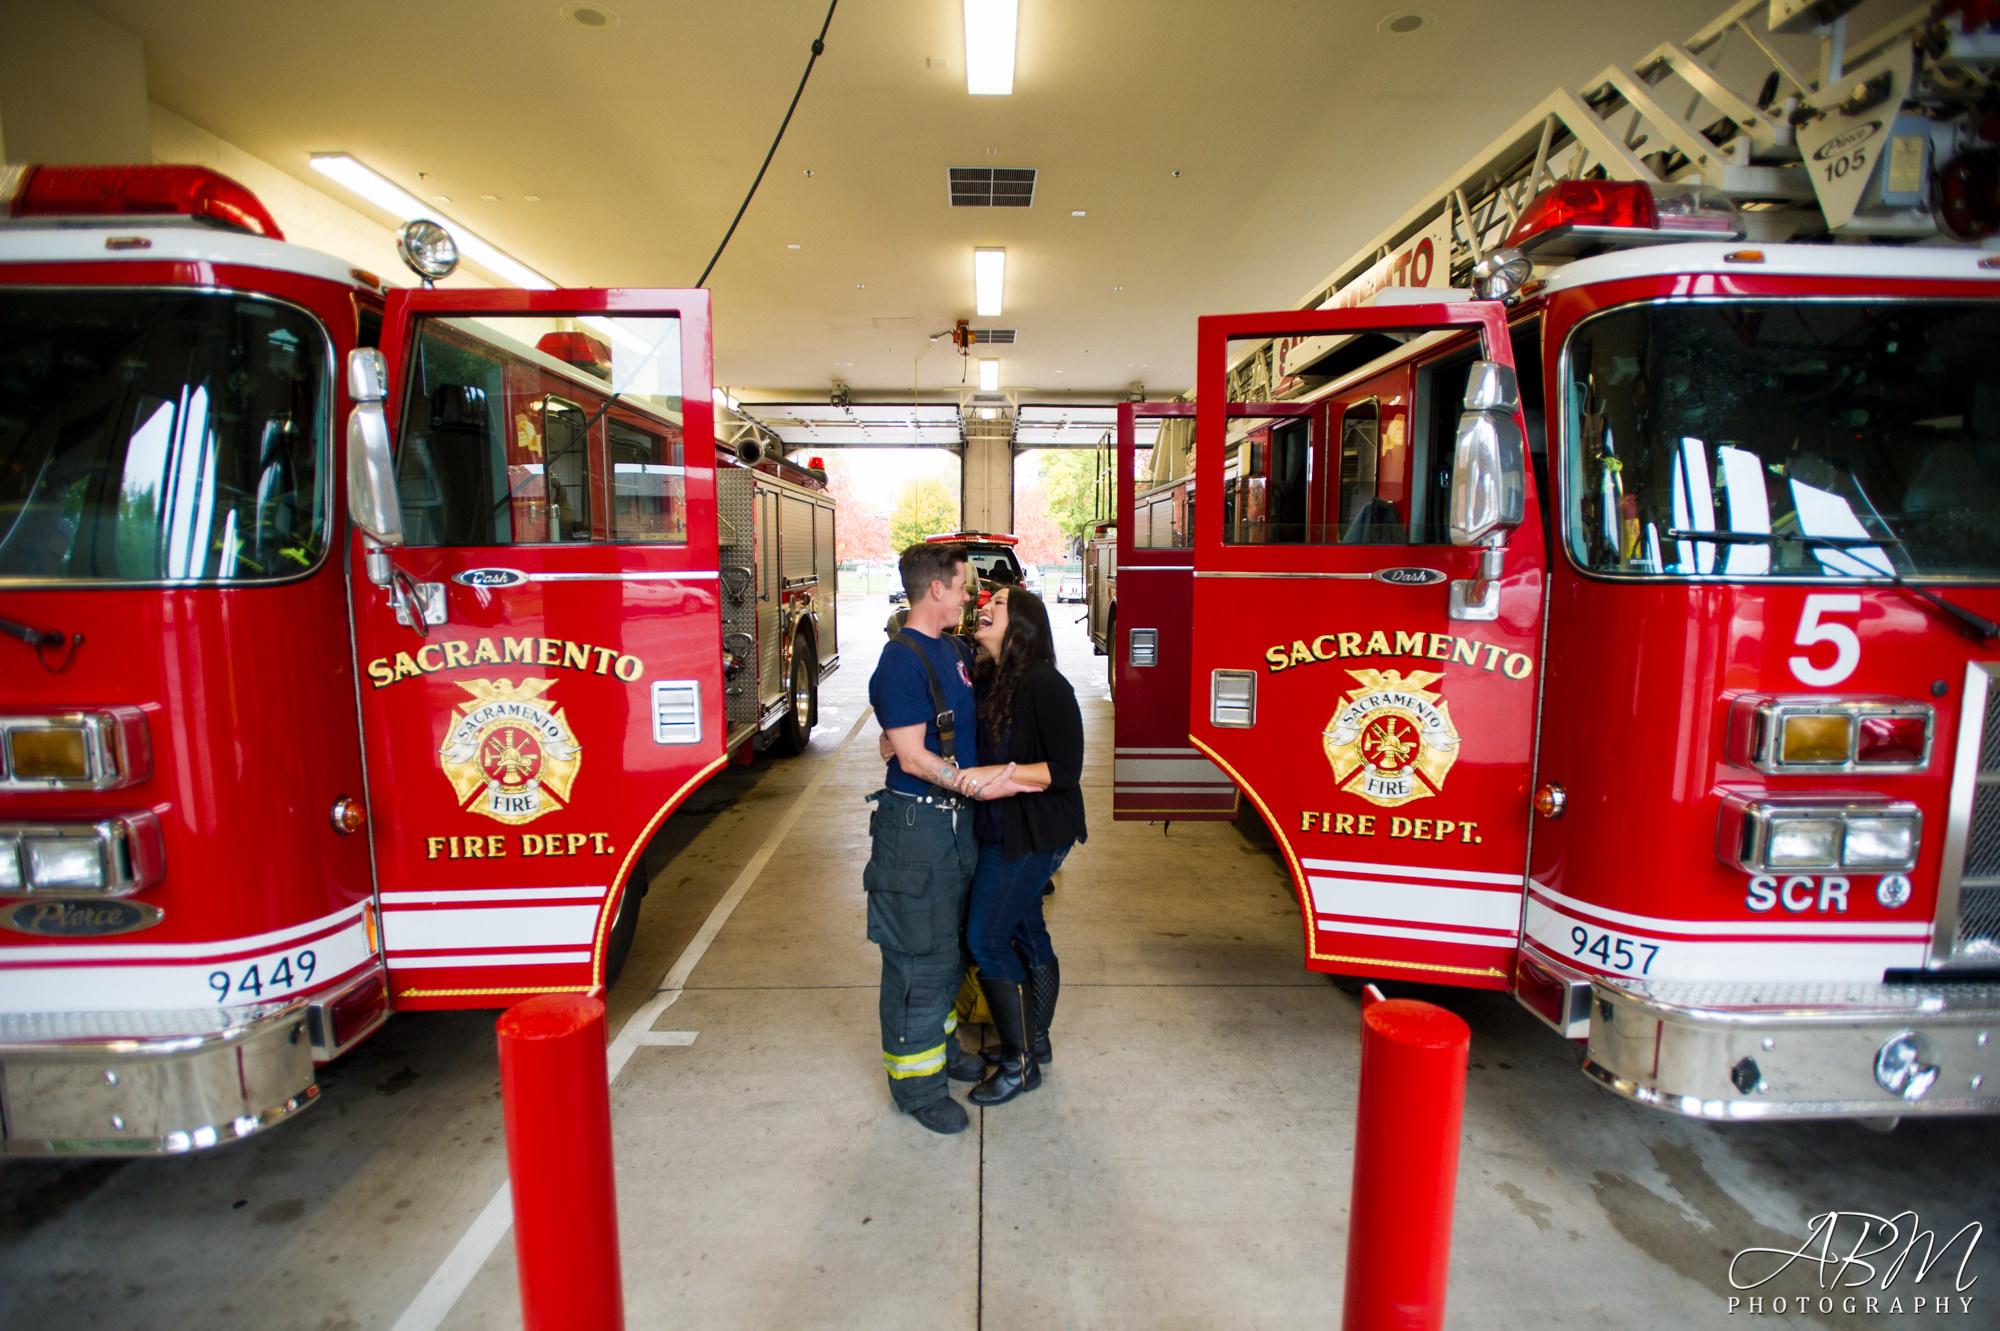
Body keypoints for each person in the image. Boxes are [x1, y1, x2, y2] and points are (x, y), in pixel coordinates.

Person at [863, 541, 996, 1135]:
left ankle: (940, 1052)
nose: (970, 595)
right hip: (917, 826)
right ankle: (916, 1086)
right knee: (918, 959)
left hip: (951, 826)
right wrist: (969, 785)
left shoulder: (952, 651)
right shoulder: (902, 660)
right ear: (936, 589)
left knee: (946, 950)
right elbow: (913, 757)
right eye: (964, 585)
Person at [952, 585, 1086, 1106]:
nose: (983, 606)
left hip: (1035, 831)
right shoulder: (989, 678)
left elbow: (1065, 770)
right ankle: (1035, 1042)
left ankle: (1019, 1062)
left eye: (998, 603)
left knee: (986, 938)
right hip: (1003, 826)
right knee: (1028, 931)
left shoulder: (1045, 683)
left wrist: (995, 775)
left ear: (1024, 624)